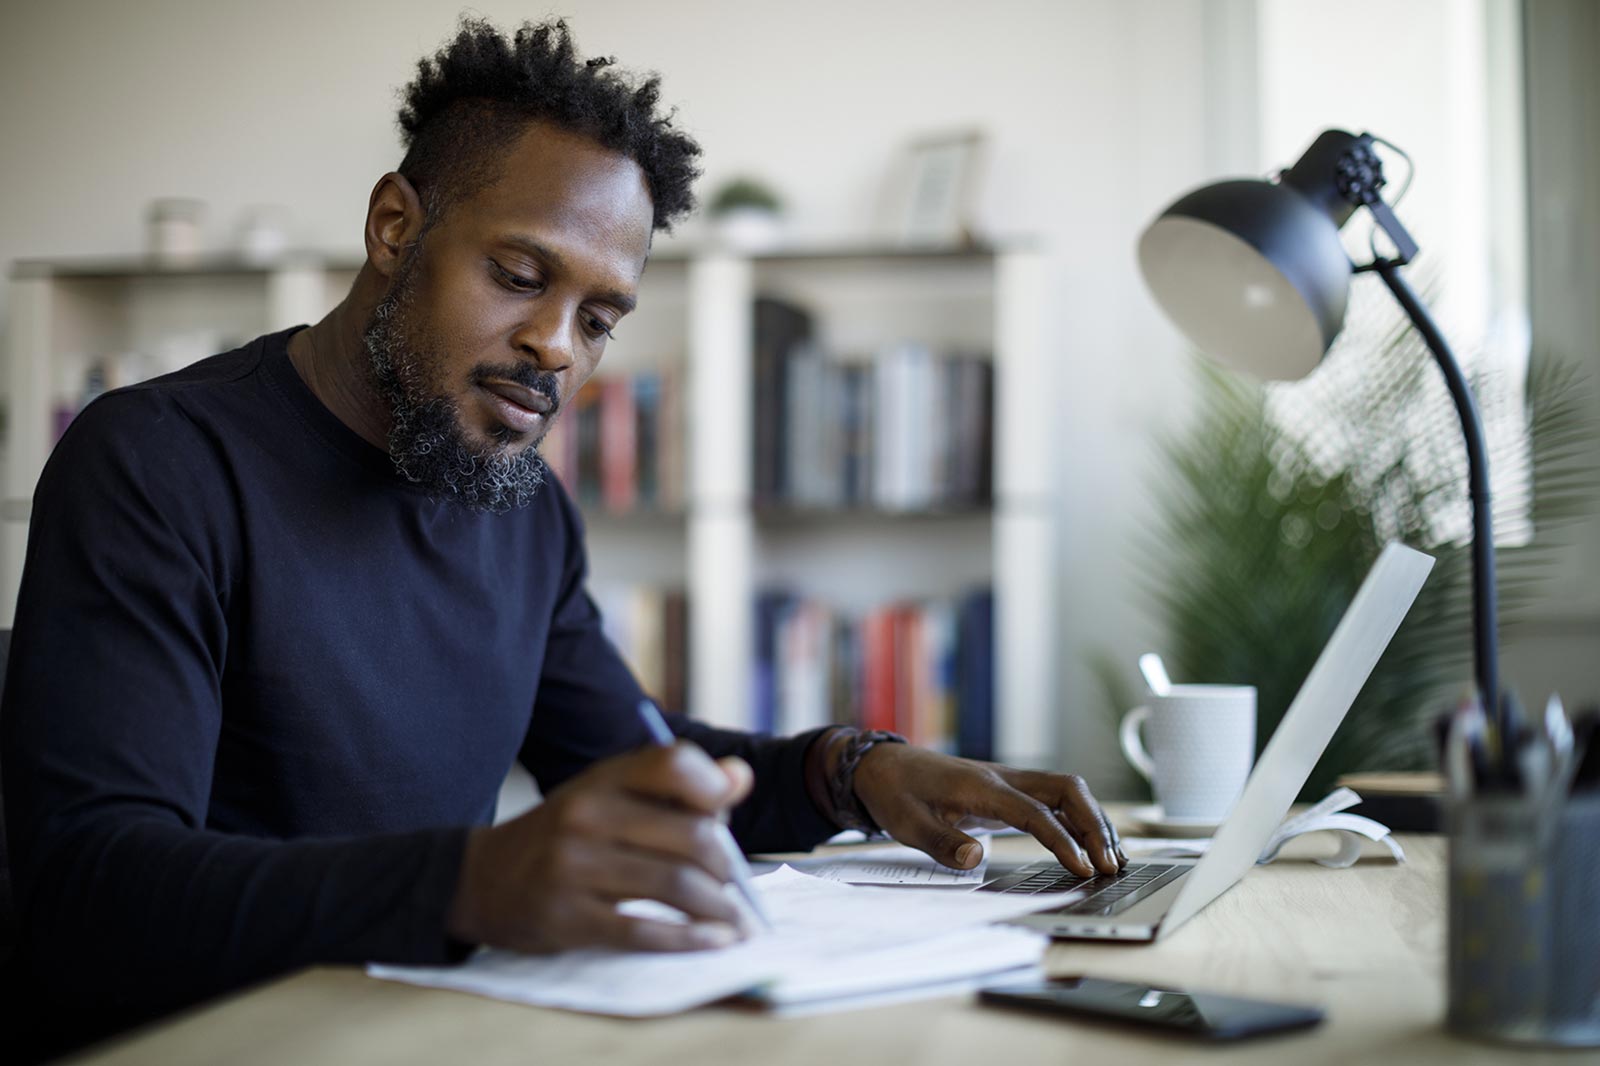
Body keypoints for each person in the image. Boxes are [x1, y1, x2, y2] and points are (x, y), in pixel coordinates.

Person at [0, 16, 1124, 1055]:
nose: (554, 347)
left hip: (417, 1029)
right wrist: (468, 884)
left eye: (597, 318)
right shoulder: (157, 462)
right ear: (395, 226)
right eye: (519, 275)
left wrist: (852, 771)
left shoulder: (524, 509)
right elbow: (91, 885)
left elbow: (642, 756)